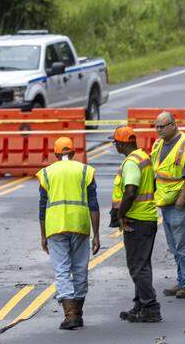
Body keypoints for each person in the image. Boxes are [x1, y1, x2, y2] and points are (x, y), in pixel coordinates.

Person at [38, 137, 100, 330]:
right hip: (80, 224)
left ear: (56, 155)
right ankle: (78, 314)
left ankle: (70, 315)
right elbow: (93, 204)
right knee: (80, 268)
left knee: (62, 270)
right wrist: (96, 234)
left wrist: (42, 235)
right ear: (73, 152)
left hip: (55, 226)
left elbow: (42, 207)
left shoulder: (47, 173)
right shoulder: (85, 171)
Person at [111, 126, 161, 322]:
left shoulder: (131, 162)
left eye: (115, 142)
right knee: (142, 264)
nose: (115, 146)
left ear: (122, 144)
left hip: (137, 220)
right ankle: (140, 304)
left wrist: (121, 214)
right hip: (146, 218)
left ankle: (150, 307)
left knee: (137, 266)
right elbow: (153, 185)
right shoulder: (143, 157)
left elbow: (131, 190)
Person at [151, 112, 185, 298]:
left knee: (183, 244)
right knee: (174, 245)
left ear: (173, 125)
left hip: (183, 204)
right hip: (166, 203)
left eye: (162, 126)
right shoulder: (158, 144)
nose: (159, 130)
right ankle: (182, 280)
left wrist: (182, 198)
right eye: (156, 126)